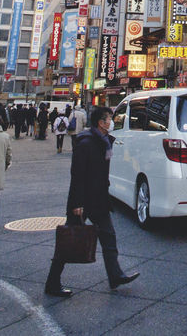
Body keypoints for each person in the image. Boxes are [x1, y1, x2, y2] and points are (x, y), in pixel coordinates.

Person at [43, 106, 139, 298]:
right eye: (109, 119)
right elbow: (77, 175)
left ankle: (115, 275)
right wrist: (77, 203)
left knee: (109, 237)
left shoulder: (103, 142)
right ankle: (52, 282)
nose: (112, 122)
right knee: (69, 240)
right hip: (83, 200)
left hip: (99, 199)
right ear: (101, 123)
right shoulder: (86, 143)